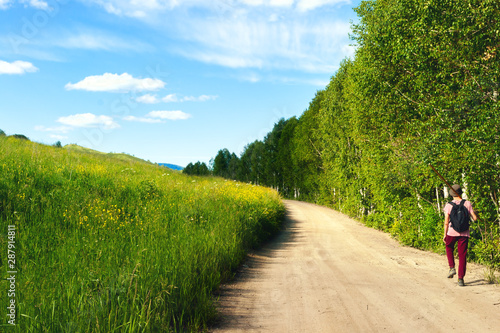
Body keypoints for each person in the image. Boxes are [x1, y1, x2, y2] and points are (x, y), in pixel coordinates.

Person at [443, 184, 478, 286]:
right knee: (462, 255)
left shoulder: (449, 205)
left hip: (452, 232)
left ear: (452, 194)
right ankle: (461, 279)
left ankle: (452, 267)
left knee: (449, 246)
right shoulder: (467, 203)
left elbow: (446, 222)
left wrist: (444, 234)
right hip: (464, 233)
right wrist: (474, 213)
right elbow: (475, 218)